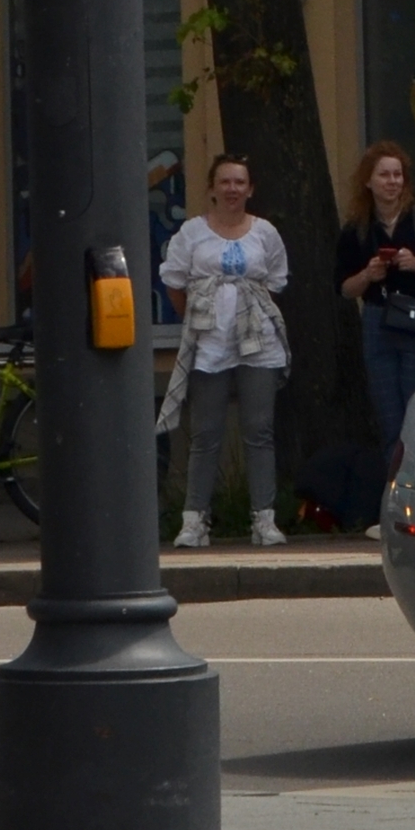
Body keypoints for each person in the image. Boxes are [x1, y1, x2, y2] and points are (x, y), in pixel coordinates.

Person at [157, 154, 290, 547]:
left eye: (239, 182)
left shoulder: (265, 233)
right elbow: (174, 282)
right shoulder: (192, 233)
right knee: (206, 432)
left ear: (250, 189)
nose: (232, 189)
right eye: (225, 182)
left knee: (259, 430)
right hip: (209, 342)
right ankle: (194, 520)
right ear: (212, 188)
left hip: (258, 342)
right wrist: (199, 319)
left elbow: (276, 283)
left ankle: (263, 520)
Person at [336, 141, 415, 516]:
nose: (392, 182)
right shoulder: (357, 231)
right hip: (378, 321)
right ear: (368, 182)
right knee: (389, 419)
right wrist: (369, 274)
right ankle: (395, 509)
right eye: (384, 175)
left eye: (397, 175)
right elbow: (344, 288)